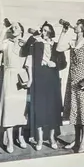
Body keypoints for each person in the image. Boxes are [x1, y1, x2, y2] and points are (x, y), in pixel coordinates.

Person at [26, 21, 63, 150]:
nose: (44, 32)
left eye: (47, 30)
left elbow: (63, 63)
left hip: (52, 78)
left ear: (51, 32)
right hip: (39, 78)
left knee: (53, 109)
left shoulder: (57, 45)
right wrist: (34, 35)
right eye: (43, 30)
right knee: (39, 108)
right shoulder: (36, 44)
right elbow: (24, 50)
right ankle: (40, 139)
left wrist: (55, 65)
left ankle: (52, 138)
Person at [0, 18, 25, 153]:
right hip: (8, 75)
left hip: (22, 76)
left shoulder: (26, 43)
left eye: (16, 27)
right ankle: (10, 141)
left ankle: (20, 137)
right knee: (9, 108)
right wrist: (4, 30)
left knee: (22, 108)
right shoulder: (6, 42)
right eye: (12, 27)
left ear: (22, 30)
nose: (14, 29)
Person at [64, 18, 84, 152]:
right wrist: (63, 31)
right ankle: (76, 140)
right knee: (75, 111)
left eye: (77, 25)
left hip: (82, 79)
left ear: (82, 29)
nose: (75, 26)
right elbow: (59, 47)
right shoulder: (72, 43)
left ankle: (83, 142)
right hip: (72, 80)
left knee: (82, 112)